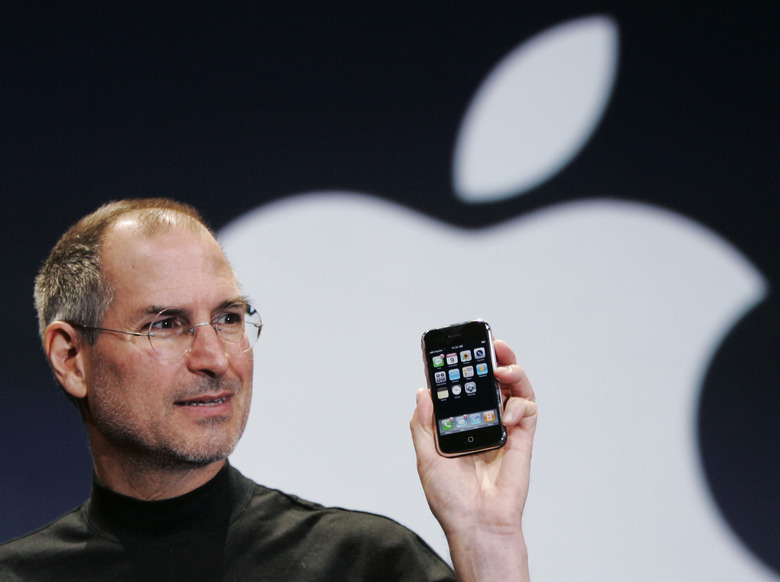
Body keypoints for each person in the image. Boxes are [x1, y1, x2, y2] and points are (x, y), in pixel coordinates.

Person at [0, 199, 538, 581]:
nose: (215, 359)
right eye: (165, 324)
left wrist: (486, 539)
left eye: (229, 317)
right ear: (71, 359)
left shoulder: (363, 564)